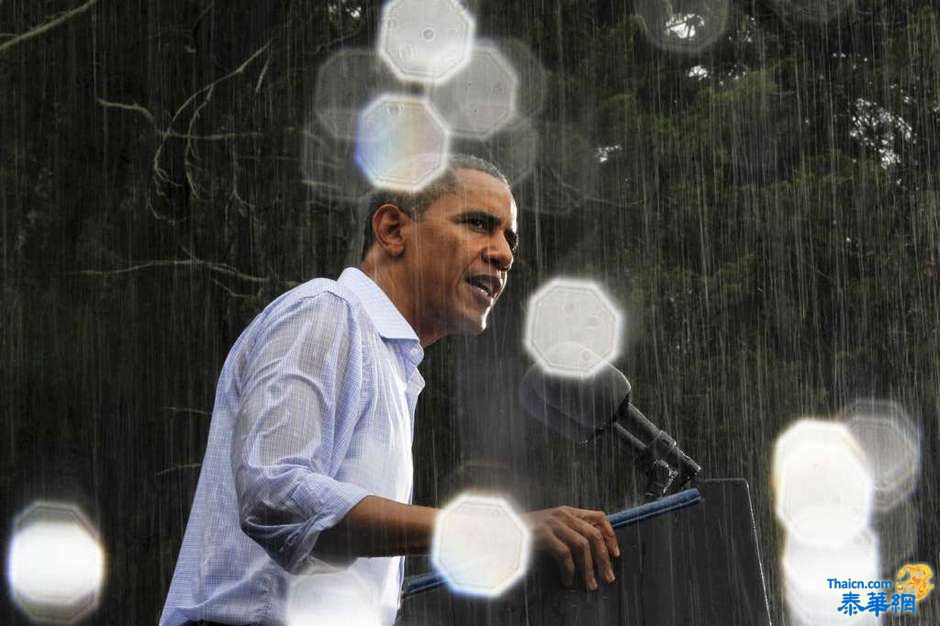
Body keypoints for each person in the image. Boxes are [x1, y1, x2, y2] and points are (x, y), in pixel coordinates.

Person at [159, 154, 620, 626]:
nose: (503, 253)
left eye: (509, 238)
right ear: (393, 230)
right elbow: (274, 493)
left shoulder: (395, 367)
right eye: (479, 224)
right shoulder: (327, 313)